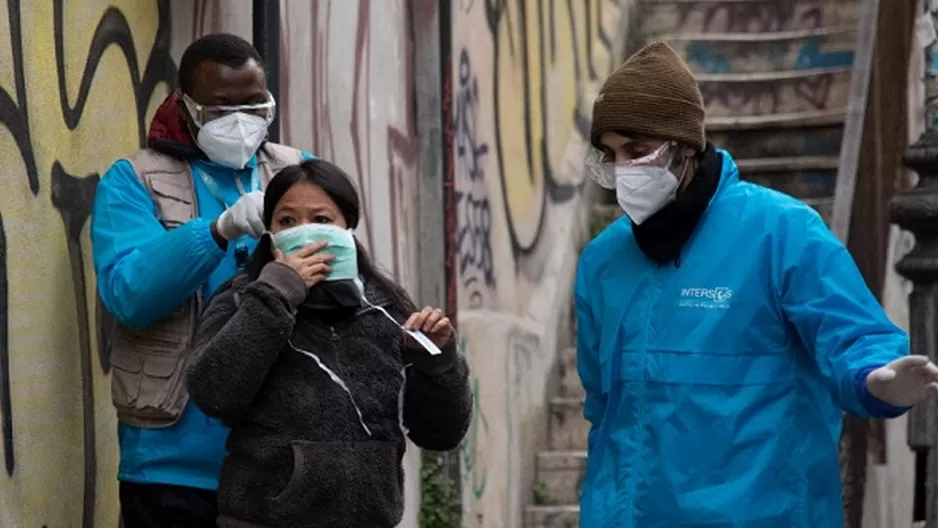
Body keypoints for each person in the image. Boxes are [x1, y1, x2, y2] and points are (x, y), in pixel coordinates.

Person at [576, 40, 938, 527]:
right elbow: (604, 412)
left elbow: (853, 334)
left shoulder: (783, 232)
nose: (622, 172)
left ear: (684, 147)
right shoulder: (603, 261)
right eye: (610, 155)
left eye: (637, 152)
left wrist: (875, 379)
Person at [91, 33, 315, 526]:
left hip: (283, 457)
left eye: (255, 106)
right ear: (186, 107)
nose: (240, 123)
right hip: (172, 465)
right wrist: (217, 230)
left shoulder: (300, 174)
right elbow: (128, 295)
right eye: (220, 111)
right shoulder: (134, 180)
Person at [184, 158, 472, 527]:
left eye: (322, 220)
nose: (305, 233)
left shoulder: (386, 309)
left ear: (348, 228)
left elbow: (441, 433)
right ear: (269, 233)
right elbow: (213, 392)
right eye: (287, 221)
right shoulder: (243, 300)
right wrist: (276, 294)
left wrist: (438, 361)